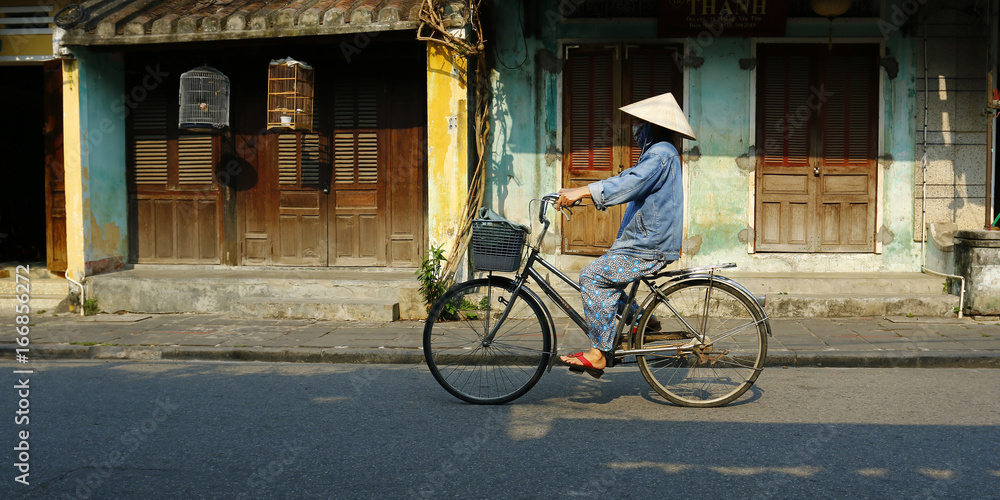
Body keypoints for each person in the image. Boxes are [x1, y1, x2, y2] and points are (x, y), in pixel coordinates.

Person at [555, 92, 696, 379]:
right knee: (605, 277)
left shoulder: (660, 154)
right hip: (643, 242)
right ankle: (644, 320)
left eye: (639, 124)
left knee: (593, 278)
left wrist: (582, 191)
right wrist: (579, 192)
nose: (635, 129)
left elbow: (629, 183)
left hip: (648, 245)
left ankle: (597, 355)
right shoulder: (660, 153)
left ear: (651, 127)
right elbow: (626, 181)